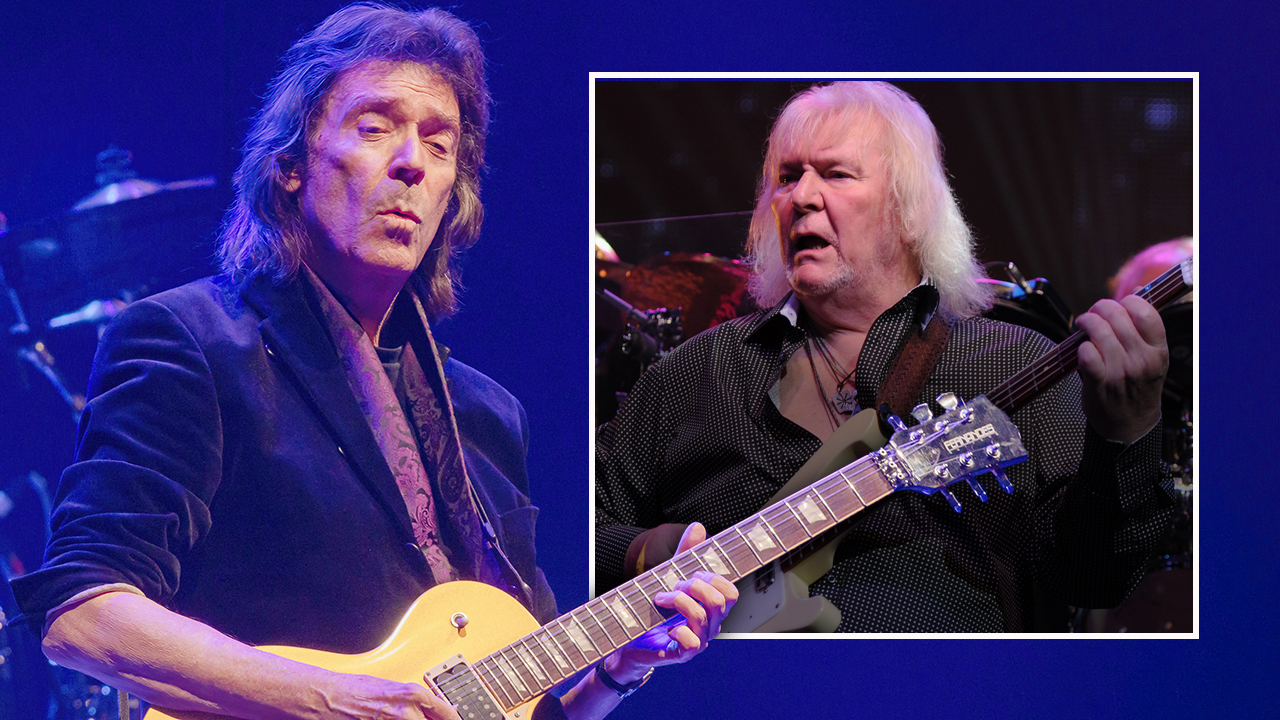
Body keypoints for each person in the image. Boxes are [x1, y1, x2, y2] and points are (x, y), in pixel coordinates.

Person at [9, 5, 734, 719]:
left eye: (440, 143)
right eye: (375, 127)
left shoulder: (485, 415)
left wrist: (614, 671)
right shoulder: (193, 342)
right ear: (291, 165)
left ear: (456, 195)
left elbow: (520, 709)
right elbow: (81, 613)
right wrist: (333, 700)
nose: (412, 163)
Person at [595, 81, 1176, 632]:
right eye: (787, 176)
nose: (801, 197)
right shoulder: (693, 373)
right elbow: (567, 535)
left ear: (910, 209)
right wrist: (650, 550)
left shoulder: (1011, 364)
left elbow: (1092, 577)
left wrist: (1124, 437)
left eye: (836, 174)